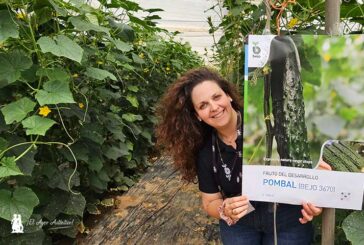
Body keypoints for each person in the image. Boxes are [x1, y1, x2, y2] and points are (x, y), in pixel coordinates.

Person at [155, 67, 331, 244]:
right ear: (198, 115)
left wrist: (314, 189)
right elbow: (210, 201)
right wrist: (225, 210)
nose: (214, 107)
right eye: (203, 105)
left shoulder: (266, 123)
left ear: (228, 95)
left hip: (288, 219)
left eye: (216, 97)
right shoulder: (205, 149)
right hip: (240, 223)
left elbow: (305, 163)